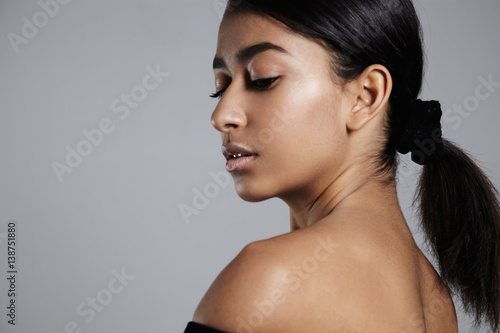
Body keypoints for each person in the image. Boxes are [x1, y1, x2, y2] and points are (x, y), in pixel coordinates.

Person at [185, 0, 500, 332]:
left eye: (263, 79)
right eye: (220, 89)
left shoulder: (269, 281)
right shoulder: (436, 304)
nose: (222, 116)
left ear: (366, 95)